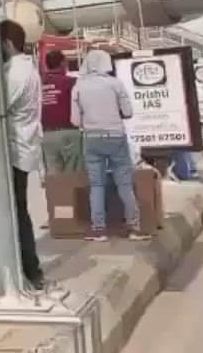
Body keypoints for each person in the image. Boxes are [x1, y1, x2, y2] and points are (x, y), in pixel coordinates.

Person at [72, 49, 151, 243]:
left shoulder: (78, 86)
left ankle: (99, 229)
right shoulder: (115, 83)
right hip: (116, 136)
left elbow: (75, 120)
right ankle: (134, 227)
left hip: (92, 139)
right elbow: (128, 112)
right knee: (124, 183)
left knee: (97, 185)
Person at [0, 20, 45, 290]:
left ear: (7, 44)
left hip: (16, 149)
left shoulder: (15, 73)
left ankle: (29, 269)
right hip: (23, 146)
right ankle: (27, 268)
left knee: (17, 212)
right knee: (18, 210)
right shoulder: (27, 68)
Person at [41, 50, 84, 174]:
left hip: (47, 135)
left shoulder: (40, 83)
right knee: (73, 175)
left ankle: (58, 193)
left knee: (54, 174)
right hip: (69, 132)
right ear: (62, 63)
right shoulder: (71, 82)